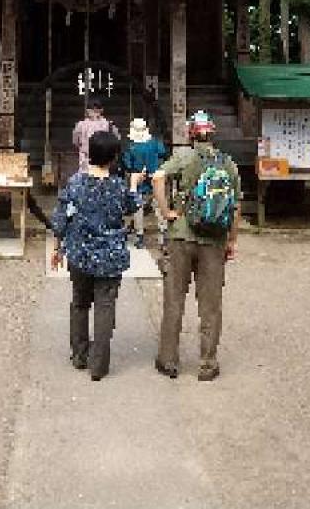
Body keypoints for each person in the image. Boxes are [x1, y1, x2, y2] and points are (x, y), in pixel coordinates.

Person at [152, 112, 240, 381]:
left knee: (174, 299)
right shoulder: (229, 164)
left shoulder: (184, 158)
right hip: (214, 240)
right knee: (211, 304)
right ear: (212, 134)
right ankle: (207, 363)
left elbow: (157, 178)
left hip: (181, 236)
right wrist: (232, 240)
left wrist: (167, 211)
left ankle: (168, 360)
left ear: (191, 134)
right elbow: (235, 207)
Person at [50, 130, 141, 381]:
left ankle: (79, 355)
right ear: (113, 157)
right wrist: (134, 183)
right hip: (110, 256)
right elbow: (133, 206)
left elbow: (61, 218)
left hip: (80, 253)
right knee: (105, 307)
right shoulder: (118, 186)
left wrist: (57, 248)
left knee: (79, 303)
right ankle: (99, 365)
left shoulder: (75, 183)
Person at [121, 117, 167, 248]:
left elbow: (127, 163)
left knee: (138, 208)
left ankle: (140, 236)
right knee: (159, 205)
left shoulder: (131, 146)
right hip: (155, 177)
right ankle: (163, 235)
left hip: (138, 178)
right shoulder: (155, 142)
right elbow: (163, 154)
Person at [72, 97, 119, 173]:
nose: (94, 112)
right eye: (93, 110)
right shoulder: (109, 125)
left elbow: (76, 142)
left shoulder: (109, 125)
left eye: (96, 110)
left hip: (90, 162)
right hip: (98, 162)